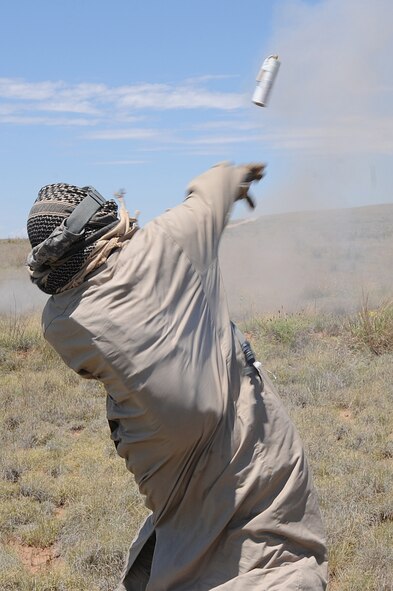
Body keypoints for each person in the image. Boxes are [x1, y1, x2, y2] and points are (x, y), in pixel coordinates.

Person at [26, 162, 328, 590]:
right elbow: (211, 191)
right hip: (248, 450)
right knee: (279, 555)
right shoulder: (168, 243)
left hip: (167, 471)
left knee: (185, 548)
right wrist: (234, 176)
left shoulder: (61, 322)